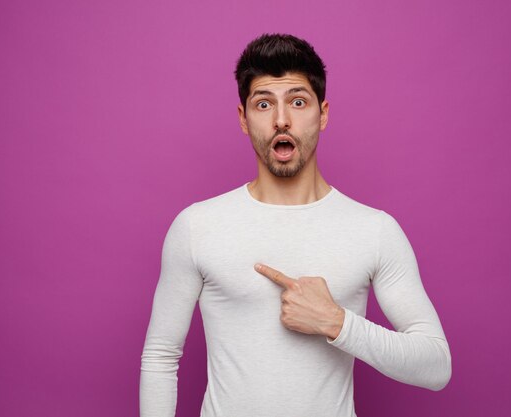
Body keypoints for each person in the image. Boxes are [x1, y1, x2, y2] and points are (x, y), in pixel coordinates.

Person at [140, 33, 451, 417]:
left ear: (323, 114)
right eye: (264, 103)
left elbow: (436, 365)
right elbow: (161, 355)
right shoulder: (196, 226)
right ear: (243, 118)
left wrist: (337, 322)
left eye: (298, 102)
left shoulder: (375, 230)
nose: (281, 120)